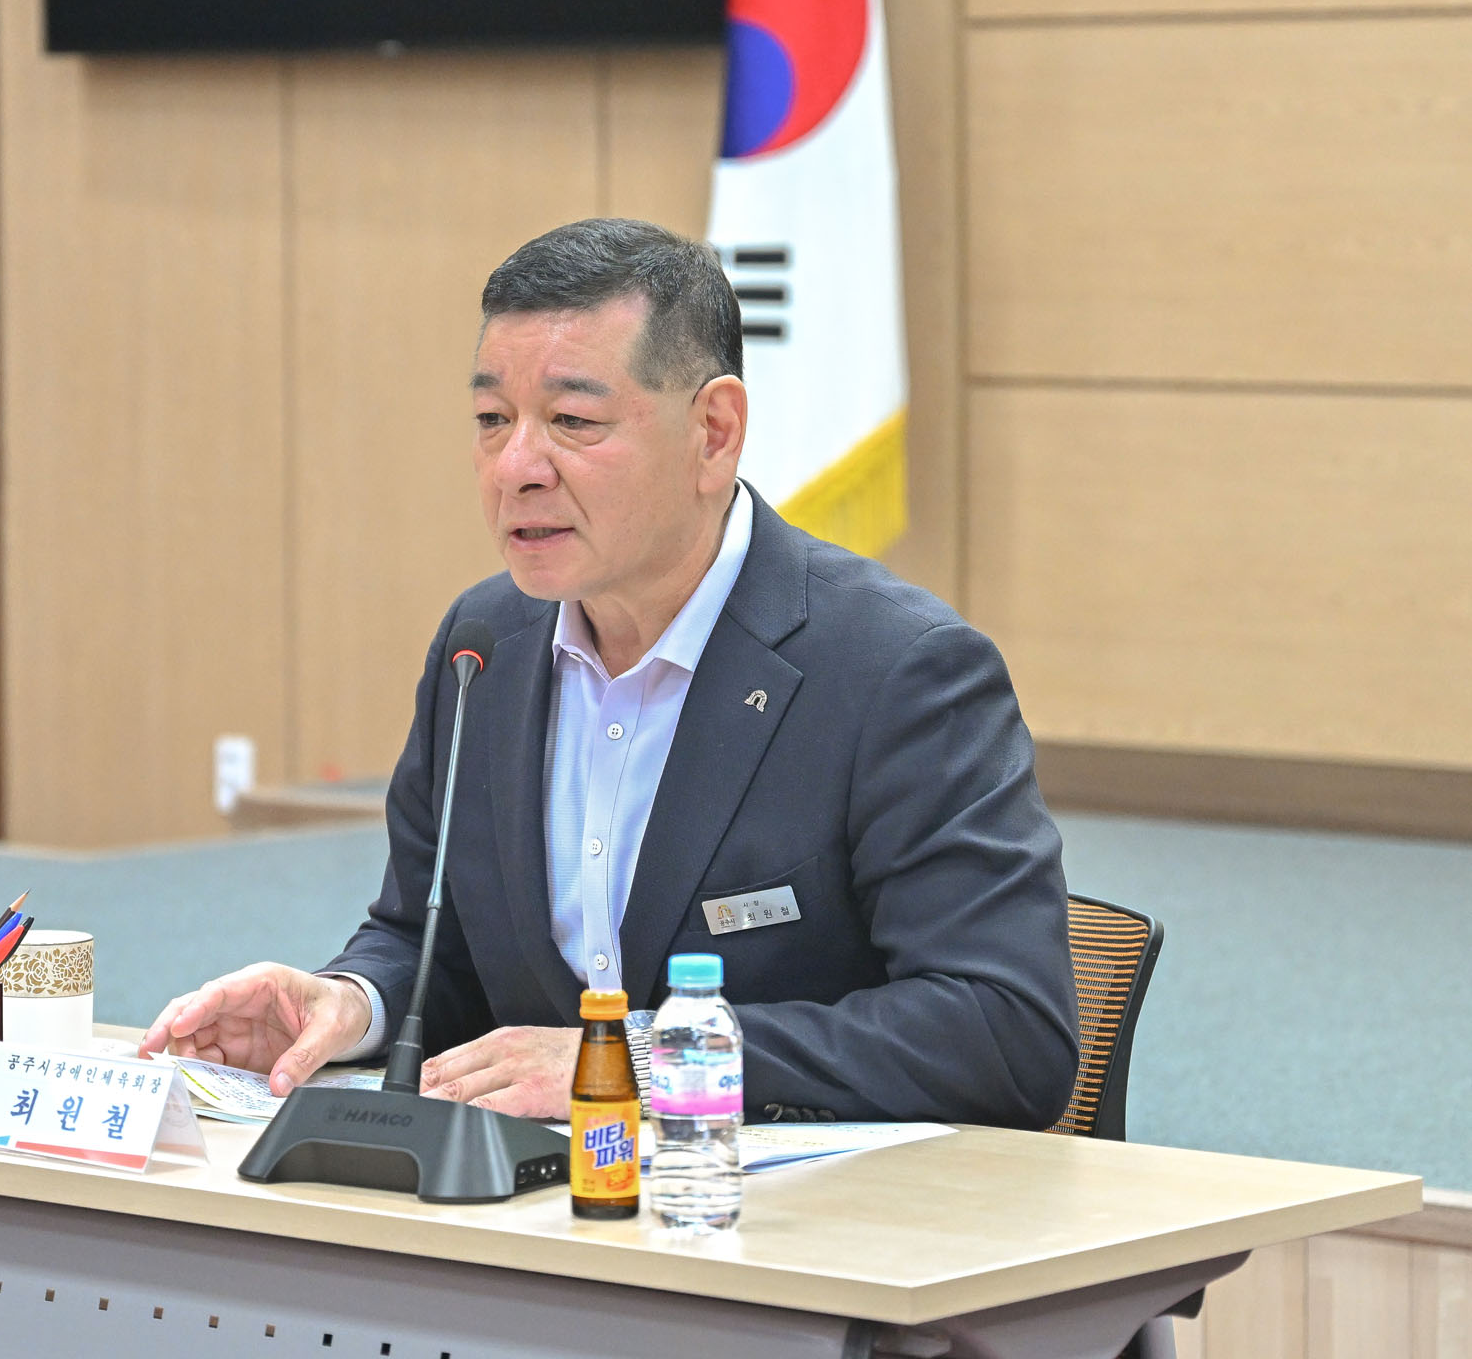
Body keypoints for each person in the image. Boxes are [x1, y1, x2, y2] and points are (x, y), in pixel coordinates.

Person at [142, 218, 1077, 1128]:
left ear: (714, 432)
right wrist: (353, 1002)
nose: (516, 467)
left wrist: (634, 1058)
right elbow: (434, 941)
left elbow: (1004, 1032)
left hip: (790, 1209)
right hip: (542, 1204)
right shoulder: (484, 647)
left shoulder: (897, 671)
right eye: (491, 419)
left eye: (572, 421)